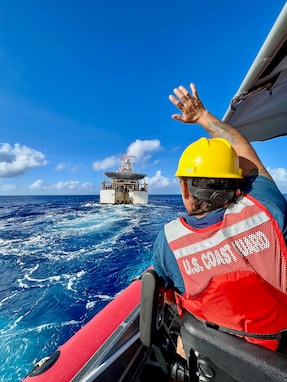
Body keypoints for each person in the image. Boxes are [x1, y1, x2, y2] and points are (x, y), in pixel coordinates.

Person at [153, 83, 287, 352]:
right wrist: (203, 116)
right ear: (235, 183)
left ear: (183, 186)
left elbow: (166, 297)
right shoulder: (266, 209)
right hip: (278, 356)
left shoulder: (169, 242)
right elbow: (247, 156)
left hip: (215, 362)